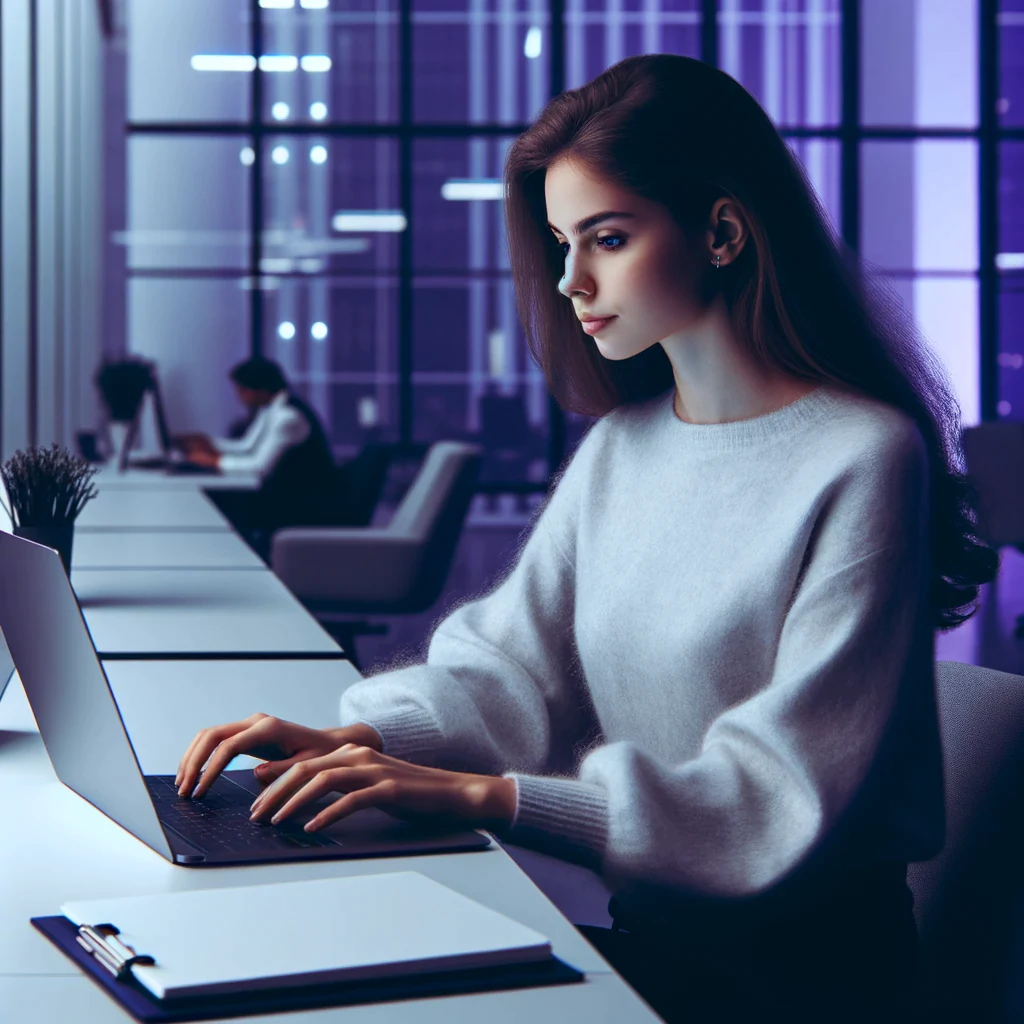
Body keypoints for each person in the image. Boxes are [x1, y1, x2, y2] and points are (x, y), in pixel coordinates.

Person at [174, 55, 999, 1021]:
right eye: (564, 242)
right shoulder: (624, 447)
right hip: (659, 942)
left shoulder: (865, 455)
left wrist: (481, 797)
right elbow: (510, 667)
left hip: (802, 982)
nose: (571, 280)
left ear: (723, 230)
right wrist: (365, 739)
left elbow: (776, 794)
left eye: (606, 238)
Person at [181, 357, 336, 553]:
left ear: (260, 390)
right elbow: (247, 447)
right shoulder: (271, 409)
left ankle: (231, 555)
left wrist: (215, 461)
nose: (238, 396)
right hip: (285, 493)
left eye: (241, 390)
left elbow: (259, 468)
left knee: (220, 502)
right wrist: (210, 444)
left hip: (301, 500)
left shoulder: (287, 416)